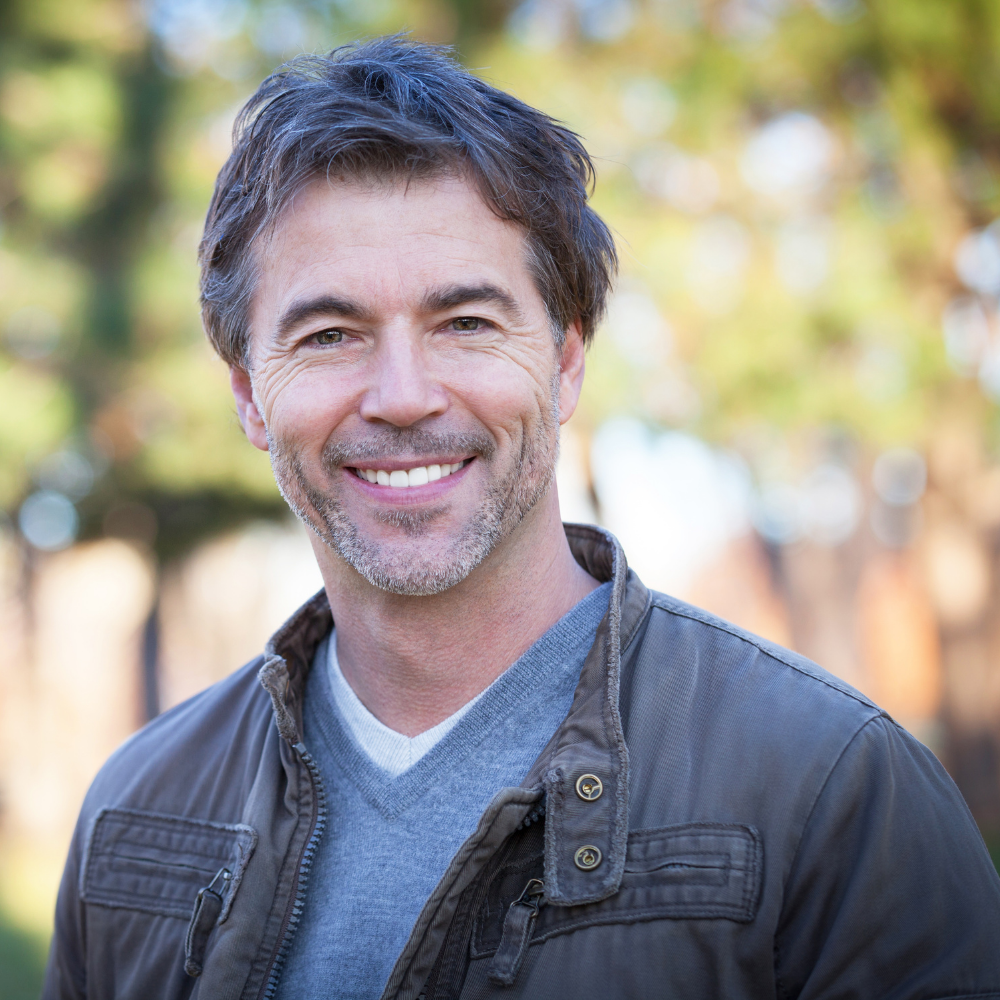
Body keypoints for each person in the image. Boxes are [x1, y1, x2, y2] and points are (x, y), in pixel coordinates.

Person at [43, 36, 1000, 1000]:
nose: (404, 397)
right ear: (252, 397)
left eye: (466, 323)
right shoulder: (136, 817)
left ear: (566, 362)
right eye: (330, 335)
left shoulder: (832, 795)